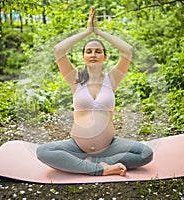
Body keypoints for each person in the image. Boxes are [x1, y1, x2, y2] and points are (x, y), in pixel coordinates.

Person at [36, 7, 153, 176]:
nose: (93, 54)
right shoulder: (75, 79)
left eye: (98, 51)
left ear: (105, 57)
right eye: (88, 51)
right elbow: (58, 50)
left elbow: (127, 50)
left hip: (109, 147)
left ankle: (93, 164)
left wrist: (98, 32)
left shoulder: (112, 79)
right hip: (78, 147)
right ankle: (100, 169)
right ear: (83, 56)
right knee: (43, 151)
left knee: (146, 154)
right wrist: (86, 32)